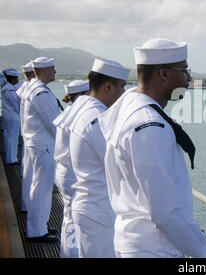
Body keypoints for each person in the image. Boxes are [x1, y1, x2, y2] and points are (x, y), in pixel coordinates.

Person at [97, 39, 206, 258]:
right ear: (163, 74)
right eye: (184, 70)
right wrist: (199, 248)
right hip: (154, 248)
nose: (188, 78)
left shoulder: (131, 107)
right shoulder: (149, 126)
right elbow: (164, 211)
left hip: (140, 243)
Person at [69, 59, 129, 258]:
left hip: (93, 207)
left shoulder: (86, 110)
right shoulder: (98, 118)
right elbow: (119, 162)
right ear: (108, 86)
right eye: (122, 87)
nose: (123, 93)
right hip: (98, 211)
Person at [22, 57, 60, 242]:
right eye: (52, 68)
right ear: (44, 71)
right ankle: (36, 230)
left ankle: (38, 226)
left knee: (38, 187)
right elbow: (54, 124)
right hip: (43, 145)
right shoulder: (40, 93)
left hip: (37, 144)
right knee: (41, 188)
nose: (55, 71)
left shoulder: (33, 87)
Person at [53, 80, 89, 258]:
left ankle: (67, 254)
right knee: (74, 222)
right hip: (71, 173)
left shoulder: (68, 113)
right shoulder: (79, 116)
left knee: (69, 218)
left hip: (64, 170)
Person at [16, 62, 36, 213]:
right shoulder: (36, 92)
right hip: (38, 141)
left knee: (28, 175)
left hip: (28, 136)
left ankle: (26, 205)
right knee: (37, 182)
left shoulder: (24, 89)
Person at [1, 68, 21, 165]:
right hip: (13, 117)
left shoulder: (6, 88)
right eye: (16, 78)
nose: (17, 80)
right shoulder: (10, 90)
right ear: (13, 79)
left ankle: (10, 158)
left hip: (8, 115)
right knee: (12, 139)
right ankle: (12, 159)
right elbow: (15, 104)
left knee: (10, 137)